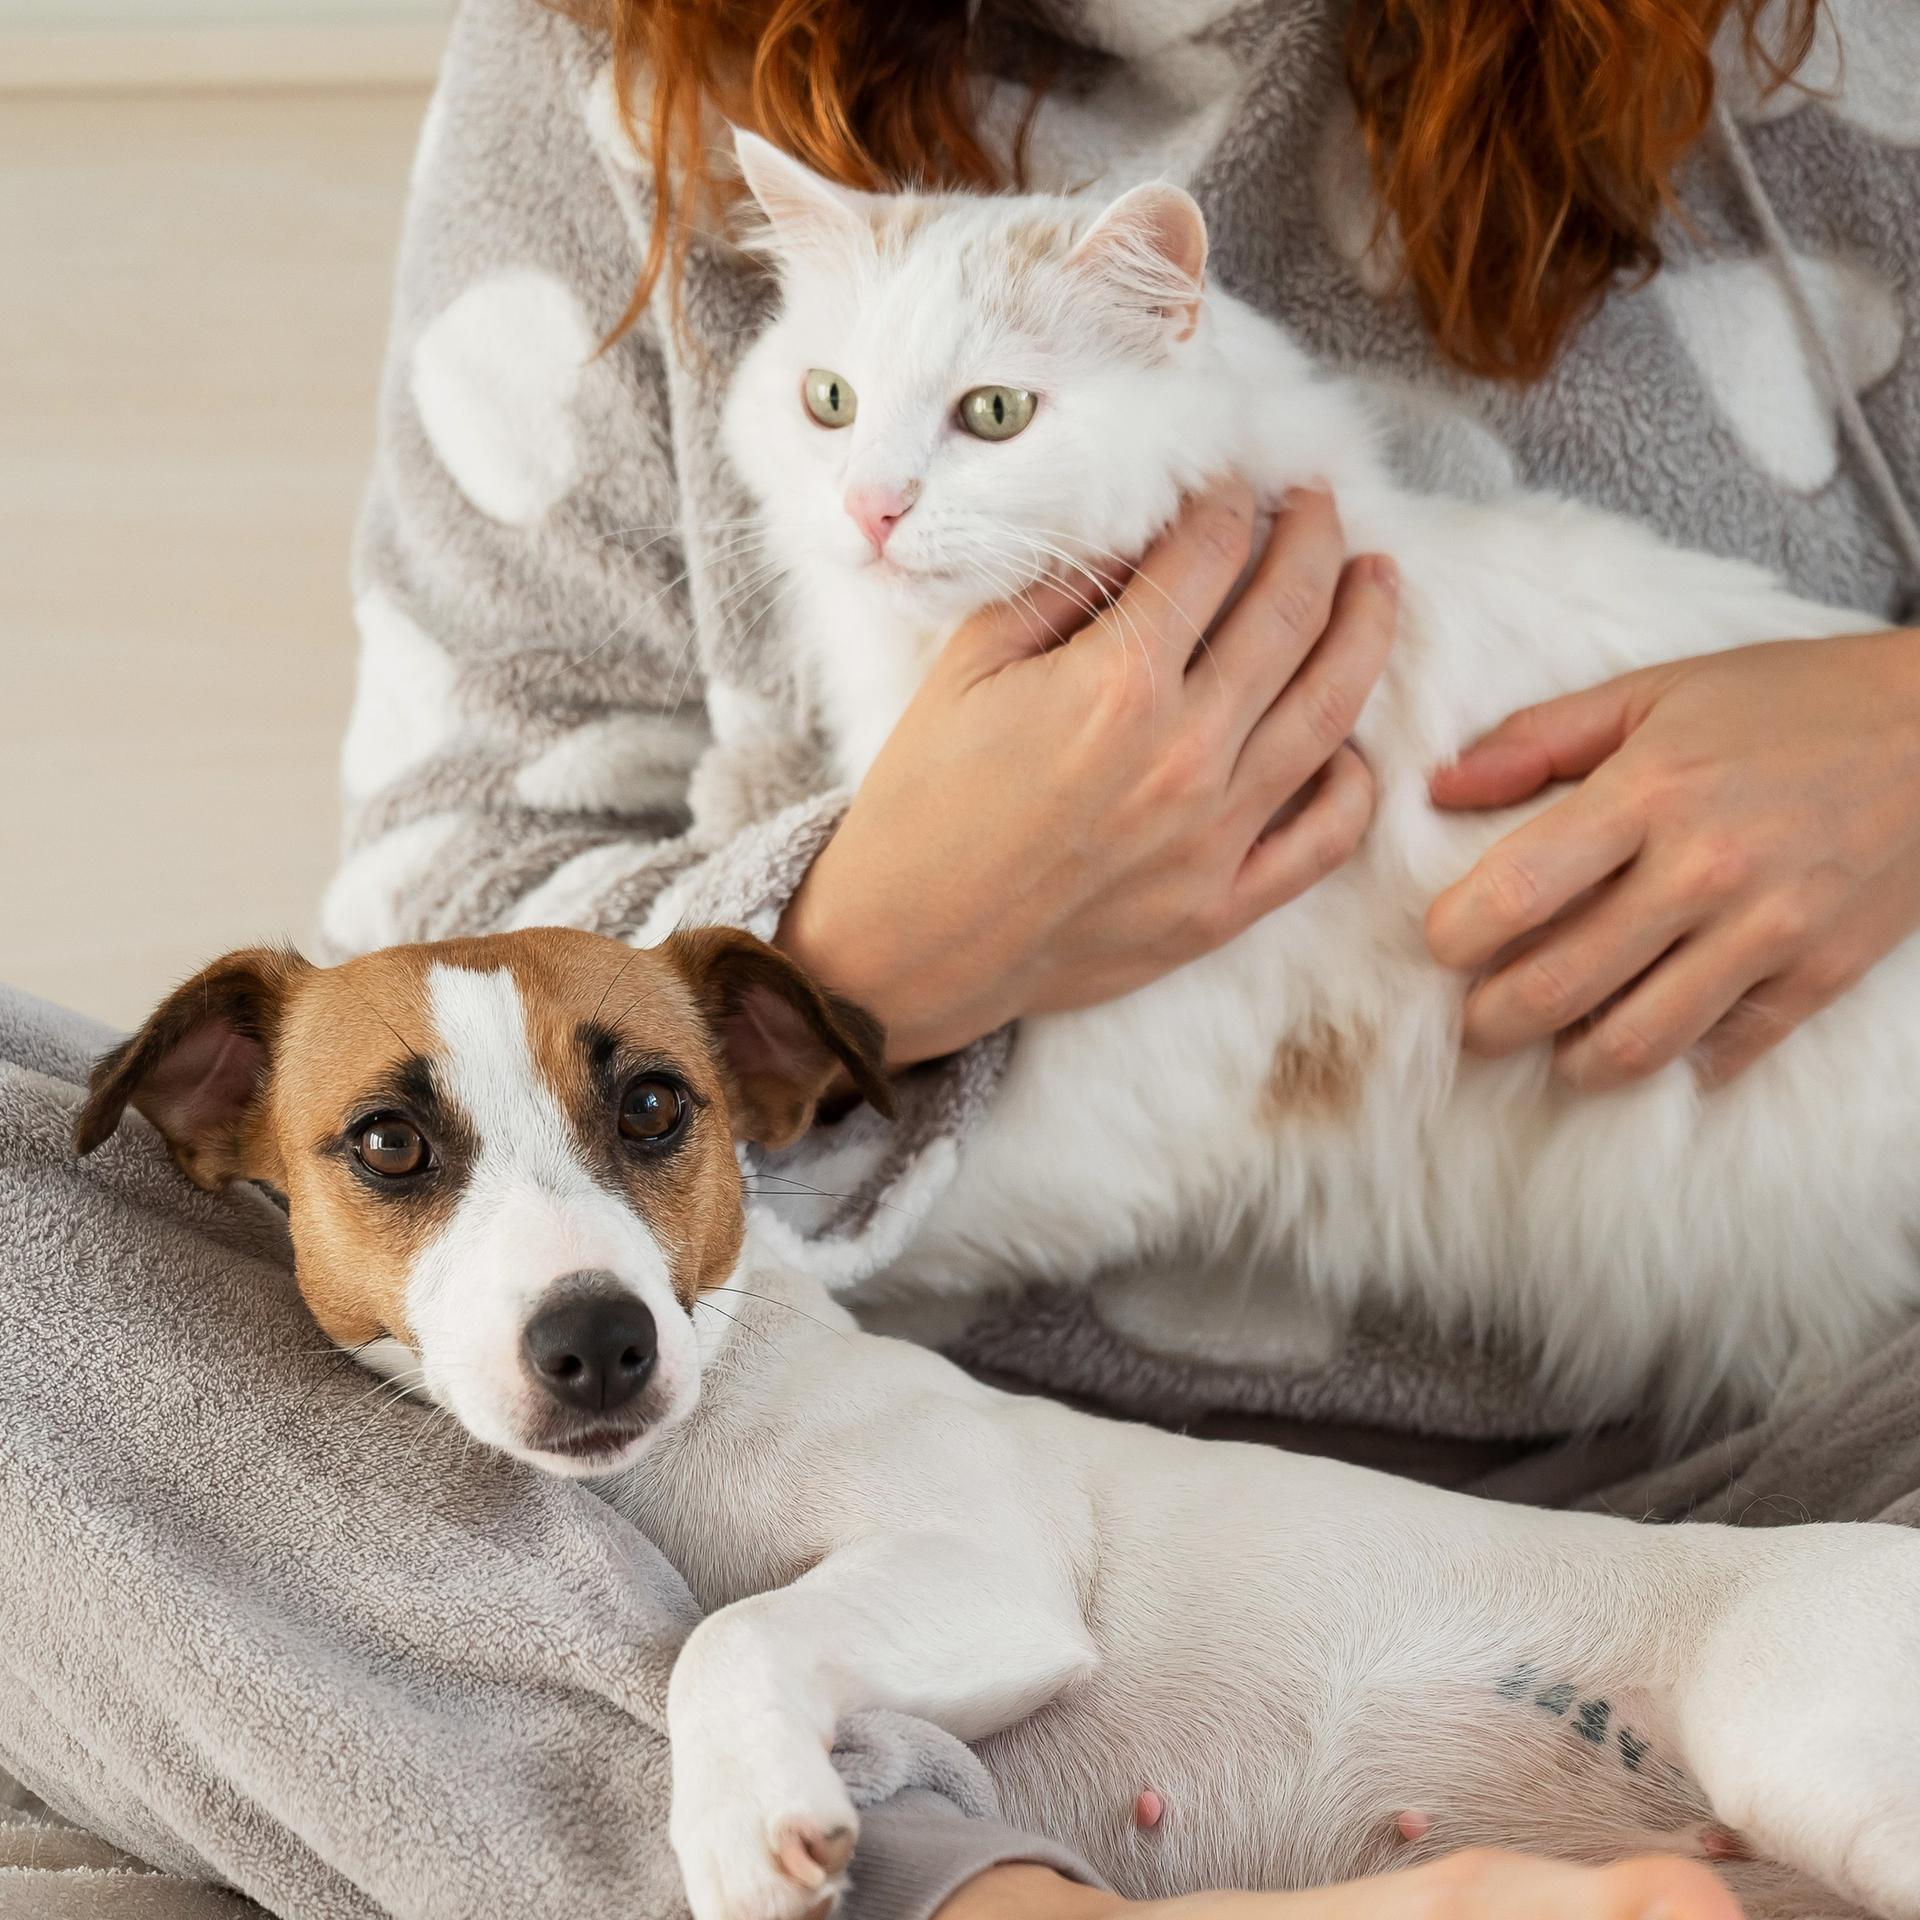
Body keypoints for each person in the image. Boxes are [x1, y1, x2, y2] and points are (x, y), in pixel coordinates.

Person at [1, 0, 1916, 1915]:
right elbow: (425, 937)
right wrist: (883, 942)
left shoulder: (1816, 54)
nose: (877, 499)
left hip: (1771, 1473)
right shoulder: (600, 64)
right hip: (806, 1504)